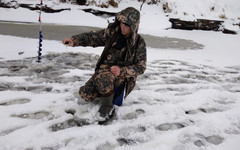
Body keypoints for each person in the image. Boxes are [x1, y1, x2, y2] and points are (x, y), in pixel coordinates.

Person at [62, 7, 146, 121]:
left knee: (103, 80)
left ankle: (108, 106)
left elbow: (141, 67)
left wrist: (122, 71)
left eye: (127, 26)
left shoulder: (138, 43)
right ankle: (105, 92)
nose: (123, 28)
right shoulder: (113, 33)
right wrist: (75, 40)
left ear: (134, 27)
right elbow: (93, 37)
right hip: (104, 72)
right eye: (122, 24)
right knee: (85, 93)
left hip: (121, 76)